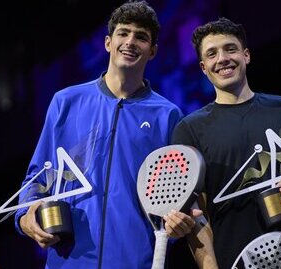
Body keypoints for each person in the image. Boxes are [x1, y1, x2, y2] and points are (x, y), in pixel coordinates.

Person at [14, 1, 196, 268]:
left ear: (153, 51)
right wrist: (24, 216)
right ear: (108, 43)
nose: (131, 42)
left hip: (135, 260)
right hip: (68, 261)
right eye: (123, 33)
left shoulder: (167, 116)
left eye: (141, 37)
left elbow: (177, 199)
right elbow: (39, 178)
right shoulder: (66, 102)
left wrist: (178, 226)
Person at [172, 17, 281, 269]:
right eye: (212, 54)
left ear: (246, 55)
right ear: (204, 68)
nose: (223, 59)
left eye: (230, 49)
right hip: (234, 262)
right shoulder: (190, 130)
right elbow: (198, 216)